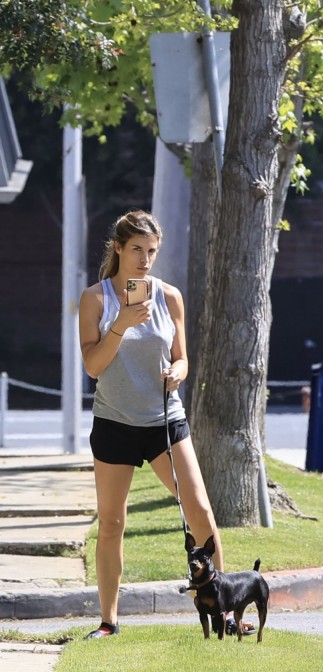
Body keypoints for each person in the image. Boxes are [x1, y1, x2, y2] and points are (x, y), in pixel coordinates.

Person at [79, 210, 242, 639]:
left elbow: (182, 357)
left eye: (151, 251)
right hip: (114, 424)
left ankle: (225, 612)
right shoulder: (96, 299)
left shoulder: (170, 297)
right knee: (112, 524)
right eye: (137, 249)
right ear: (118, 248)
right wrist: (120, 325)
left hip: (164, 422)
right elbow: (93, 366)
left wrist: (178, 372)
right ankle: (109, 622)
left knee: (200, 510)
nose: (144, 260)